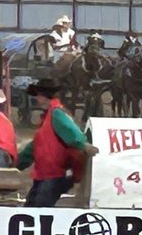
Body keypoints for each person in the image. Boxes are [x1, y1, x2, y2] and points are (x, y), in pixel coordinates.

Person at [17, 77, 99, 207]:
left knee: (38, 210)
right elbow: (35, 147)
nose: (36, 99)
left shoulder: (56, 114)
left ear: (43, 96)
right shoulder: (51, 116)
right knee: (34, 209)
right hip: (47, 175)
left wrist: (84, 146)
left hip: (54, 175)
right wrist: (18, 162)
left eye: (38, 95)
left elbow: (73, 134)